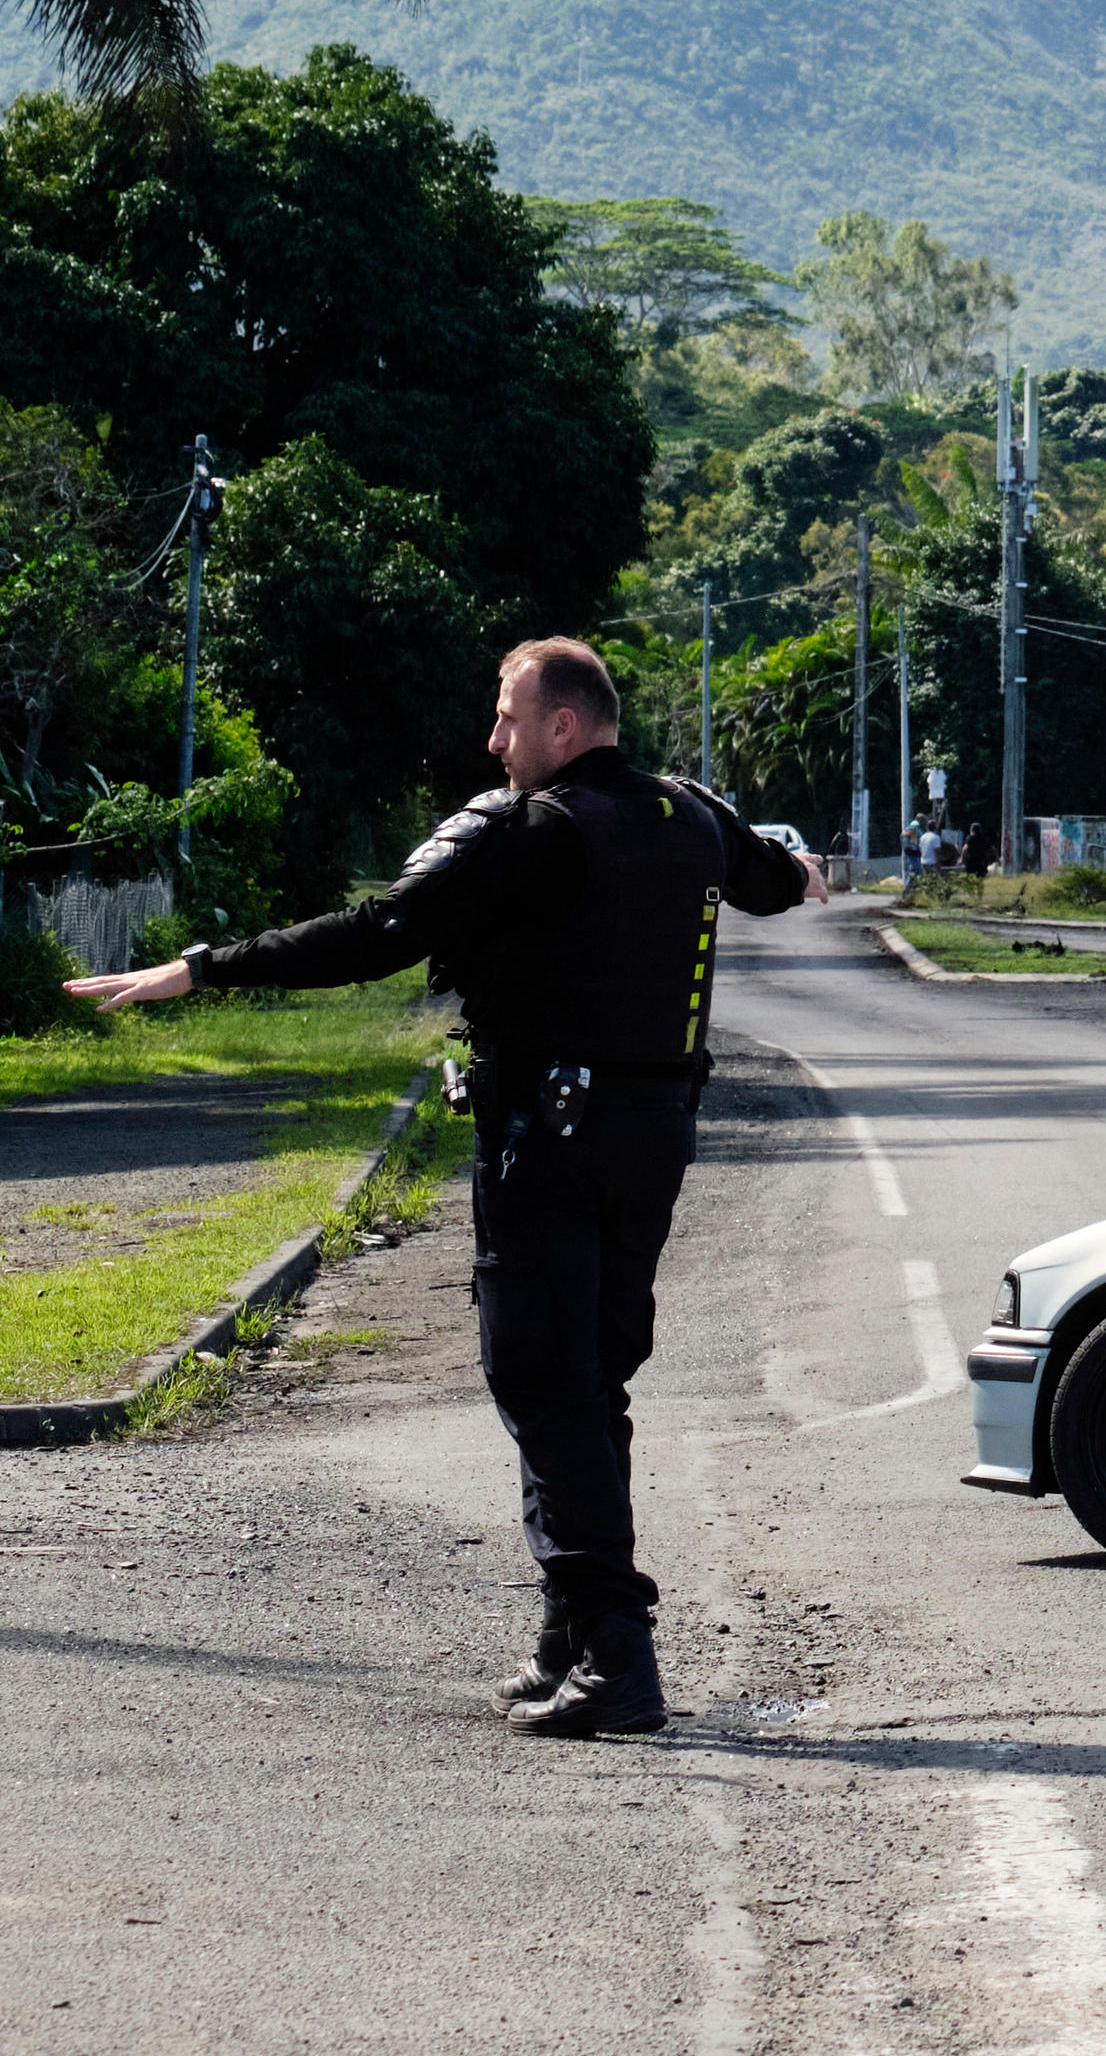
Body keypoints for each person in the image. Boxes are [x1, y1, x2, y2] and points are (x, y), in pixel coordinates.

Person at [66, 637, 822, 1739]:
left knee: (543, 1380)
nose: (494, 741)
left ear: (564, 726)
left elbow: (380, 932)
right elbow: (775, 882)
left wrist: (204, 966)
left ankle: (619, 1657)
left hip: (549, 1137)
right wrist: (796, 874)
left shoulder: (541, 831)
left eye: (508, 719)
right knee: (587, 1380)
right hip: (651, 1136)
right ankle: (568, 1637)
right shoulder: (690, 816)